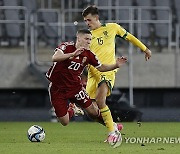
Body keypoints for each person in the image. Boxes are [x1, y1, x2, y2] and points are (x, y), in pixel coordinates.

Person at [46, 29, 127, 148]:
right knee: (65, 122)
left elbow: (101, 67)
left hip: (75, 88)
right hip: (57, 89)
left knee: (93, 112)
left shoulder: (89, 54)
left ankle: (112, 127)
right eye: (87, 39)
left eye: (90, 39)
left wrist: (115, 65)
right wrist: (72, 55)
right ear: (78, 39)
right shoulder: (66, 47)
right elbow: (55, 57)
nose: (89, 42)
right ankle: (72, 109)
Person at [82, 5, 152, 141]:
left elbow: (129, 37)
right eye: (85, 21)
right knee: (91, 113)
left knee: (100, 100)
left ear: (96, 18)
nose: (87, 23)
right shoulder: (87, 36)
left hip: (108, 70)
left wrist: (145, 49)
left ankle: (112, 134)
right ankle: (113, 126)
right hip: (92, 74)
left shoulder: (112, 27)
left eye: (89, 20)